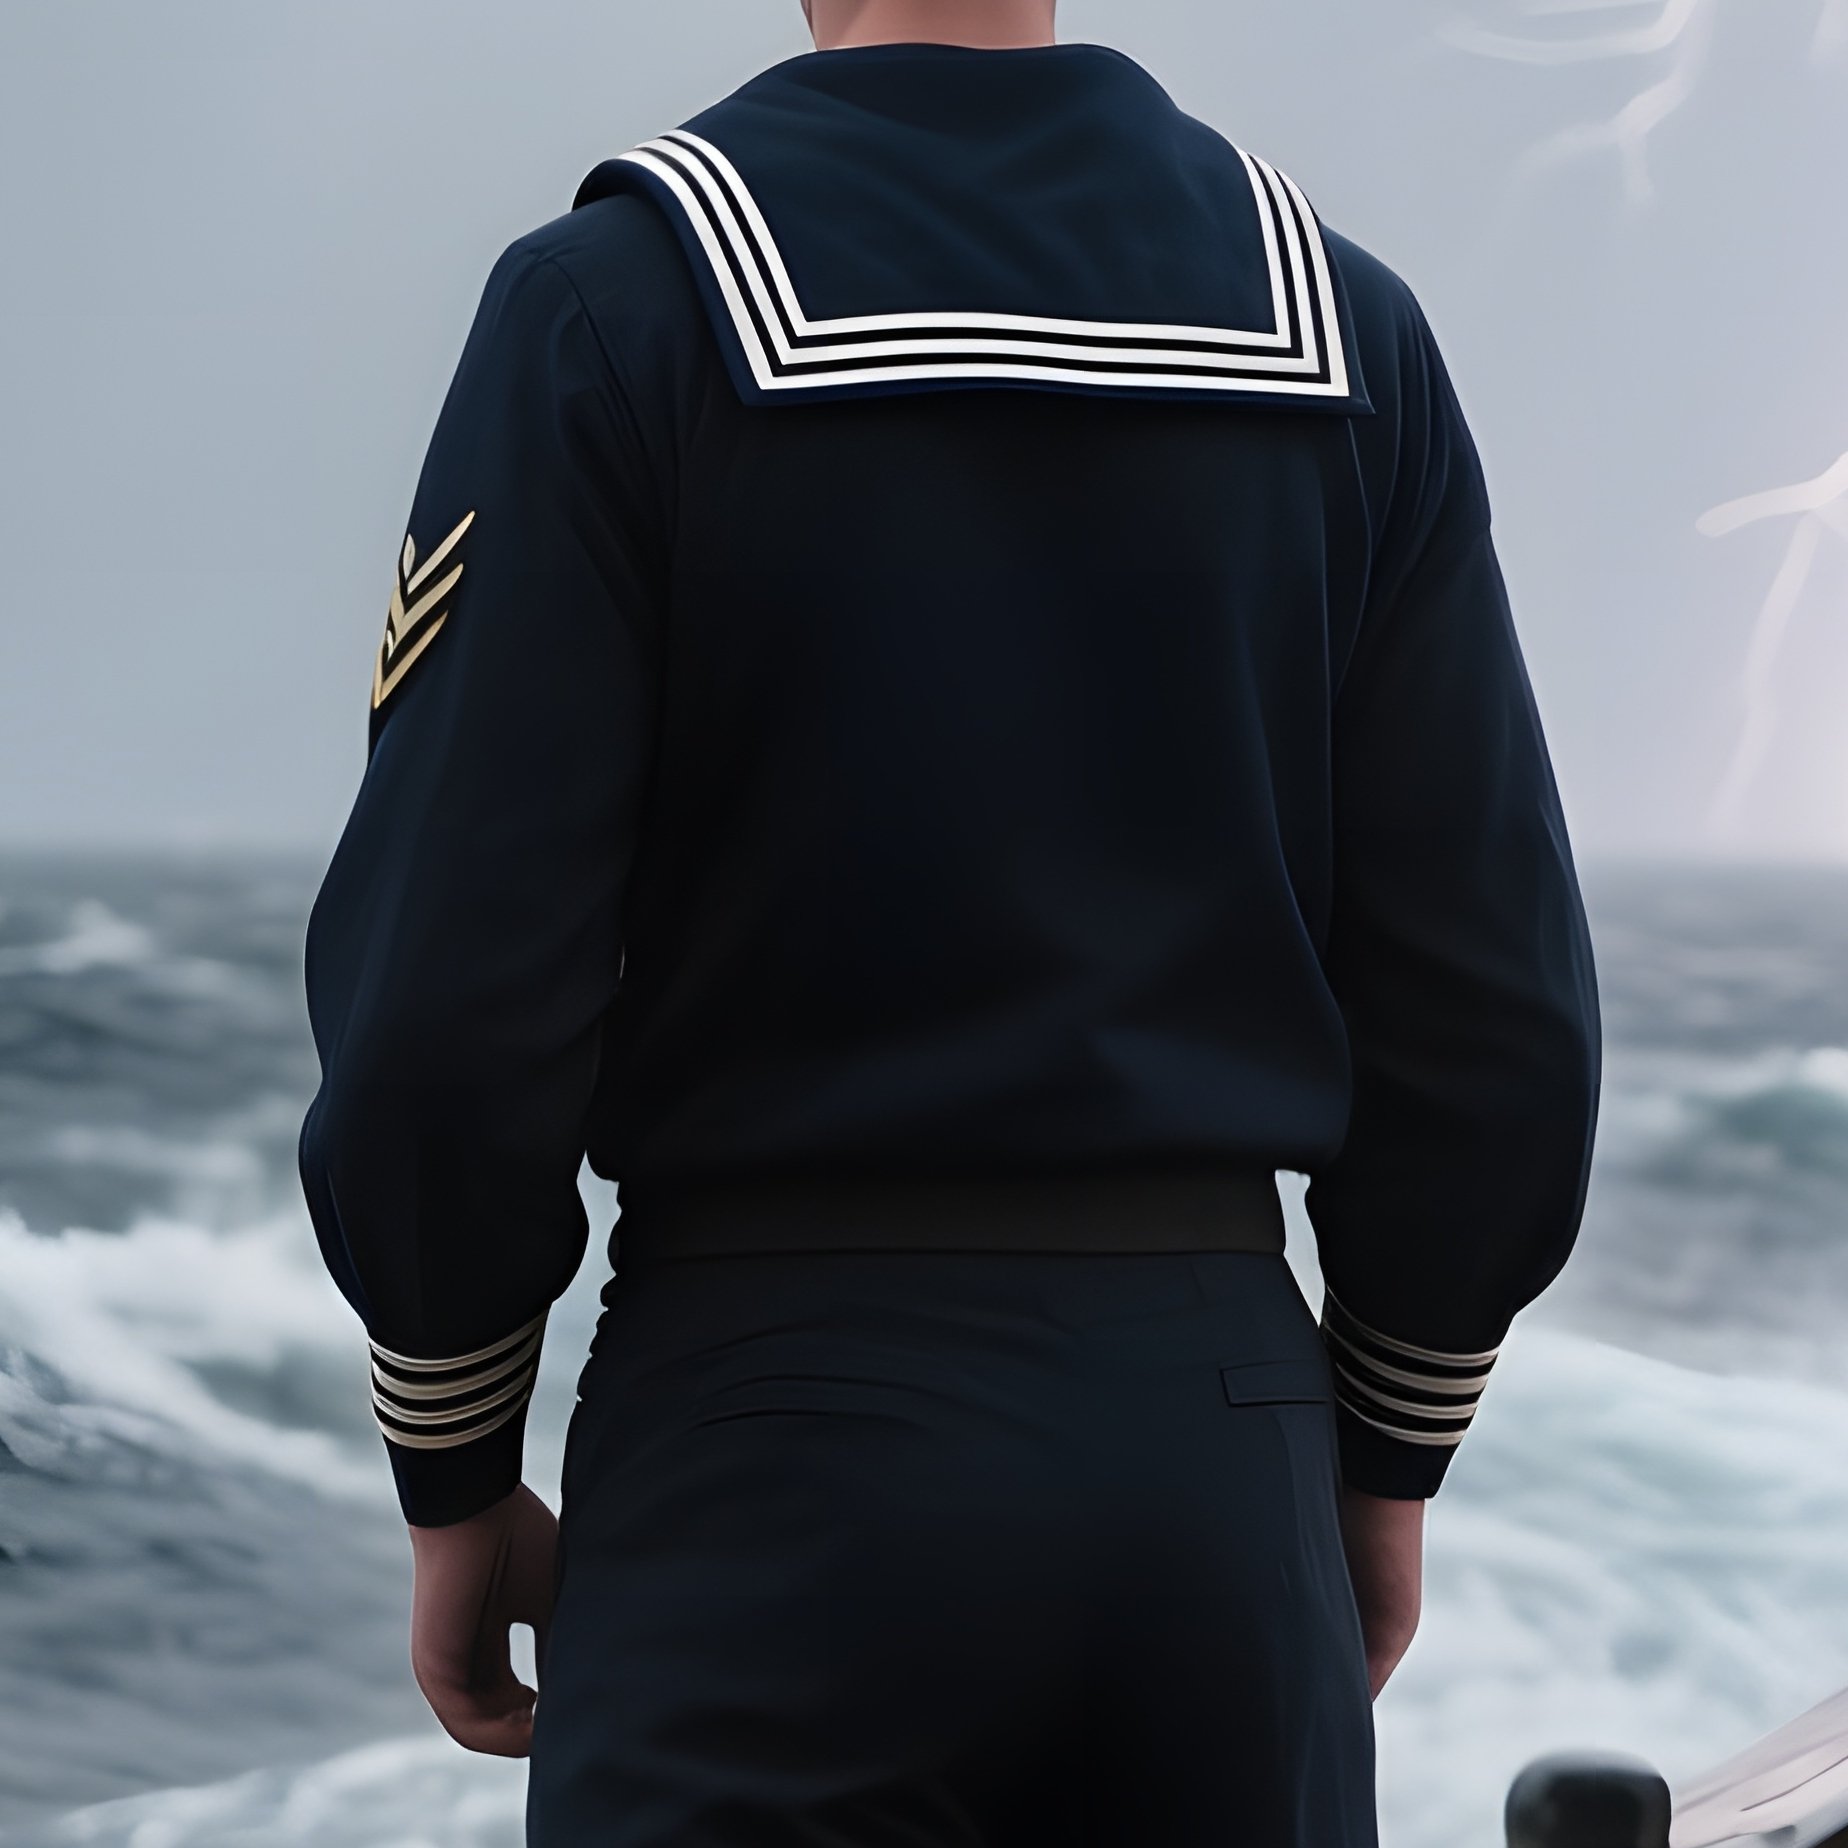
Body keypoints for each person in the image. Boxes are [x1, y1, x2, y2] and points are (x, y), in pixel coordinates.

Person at [298, 0, 1602, 1840]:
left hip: (776, 1455)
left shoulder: (618, 302)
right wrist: (1380, 1455)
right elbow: (1496, 1008)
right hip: (1215, 1457)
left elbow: (448, 1007)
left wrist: (452, 1461)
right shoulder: (1347, 328)